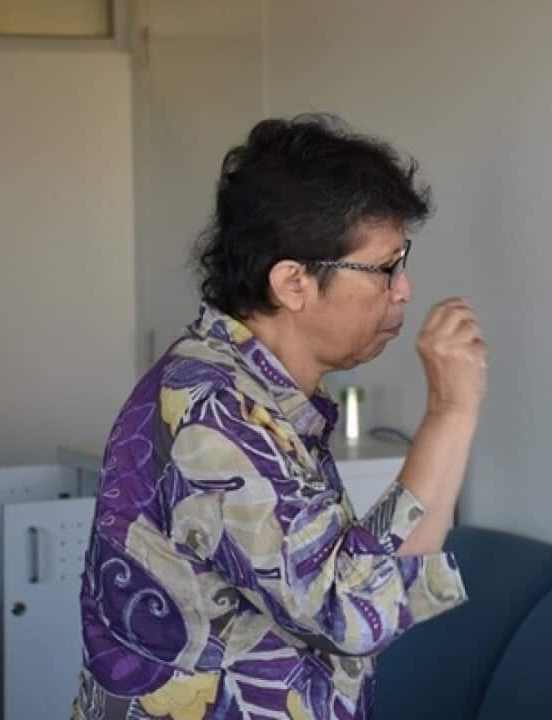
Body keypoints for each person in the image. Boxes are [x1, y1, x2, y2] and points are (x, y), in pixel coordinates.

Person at [73, 114, 487, 720]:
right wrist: (450, 411)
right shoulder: (214, 413)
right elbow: (350, 608)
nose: (404, 289)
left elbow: (347, 570)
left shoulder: (254, 394)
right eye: (384, 268)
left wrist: (455, 416)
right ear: (293, 282)